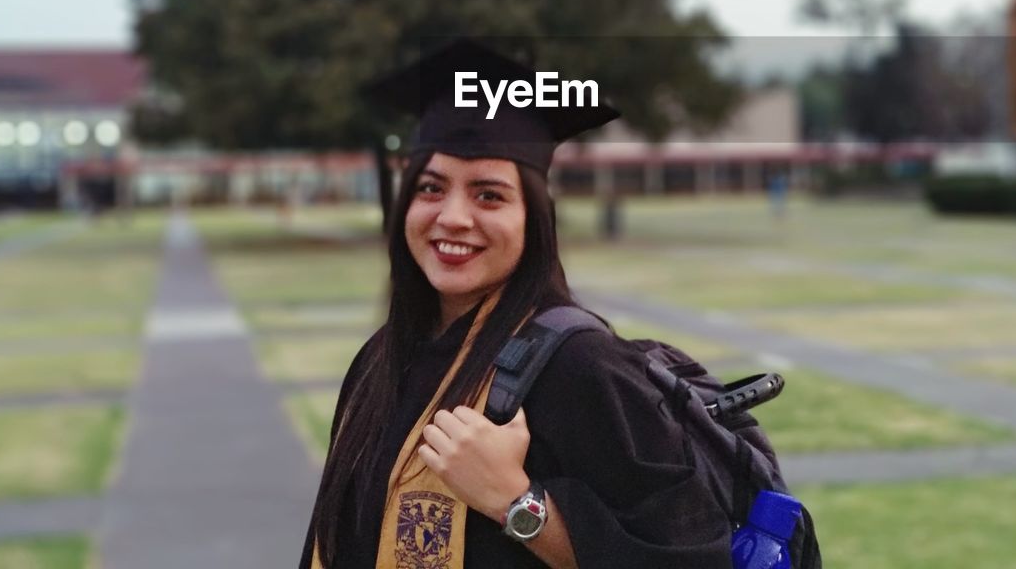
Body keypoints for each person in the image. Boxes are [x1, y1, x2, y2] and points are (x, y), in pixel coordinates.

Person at [299, 41, 733, 569]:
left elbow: (693, 557)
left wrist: (515, 501)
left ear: (534, 218)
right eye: (432, 188)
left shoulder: (583, 368)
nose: (453, 217)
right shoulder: (380, 360)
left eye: (489, 195)